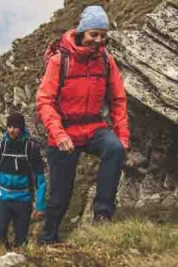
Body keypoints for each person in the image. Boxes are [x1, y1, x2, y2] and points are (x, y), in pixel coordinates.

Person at [36, 5, 129, 244]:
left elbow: (118, 100)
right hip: (63, 131)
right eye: (93, 34)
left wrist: (123, 138)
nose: (98, 40)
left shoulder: (106, 60)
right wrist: (58, 134)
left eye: (102, 35)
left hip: (93, 127)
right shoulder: (60, 60)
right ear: (82, 31)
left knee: (115, 149)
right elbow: (45, 100)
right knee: (60, 196)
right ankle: (47, 241)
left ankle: (102, 215)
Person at [0, 112, 46, 248]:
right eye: (9, 126)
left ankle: (18, 258)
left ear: (22, 128)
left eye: (15, 127)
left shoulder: (31, 149)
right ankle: (4, 256)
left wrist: (40, 205)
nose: (11, 130)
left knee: (21, 238)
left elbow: (40, 179)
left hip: (23, 200)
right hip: (2, 198)